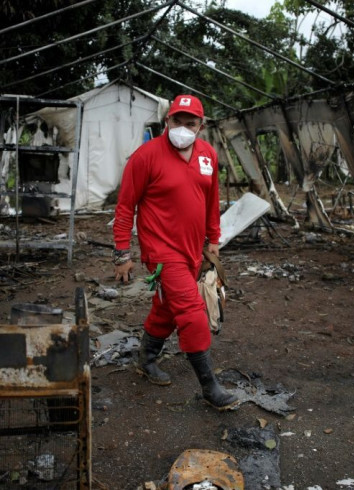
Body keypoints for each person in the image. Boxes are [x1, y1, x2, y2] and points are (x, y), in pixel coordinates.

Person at [112, 94, 238, 411]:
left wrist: (213, 240)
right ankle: (210, 388)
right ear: (166, 121)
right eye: (176, 121)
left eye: (190, 123)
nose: (182, 128)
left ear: (201, 125)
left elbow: (211, 201)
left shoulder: (208, 155)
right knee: (193, 313)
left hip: (192, 250)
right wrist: (122, 254)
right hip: (161, 251)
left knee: (168, 308)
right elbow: (125, 207)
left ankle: (146, 359)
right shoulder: (145, 157)